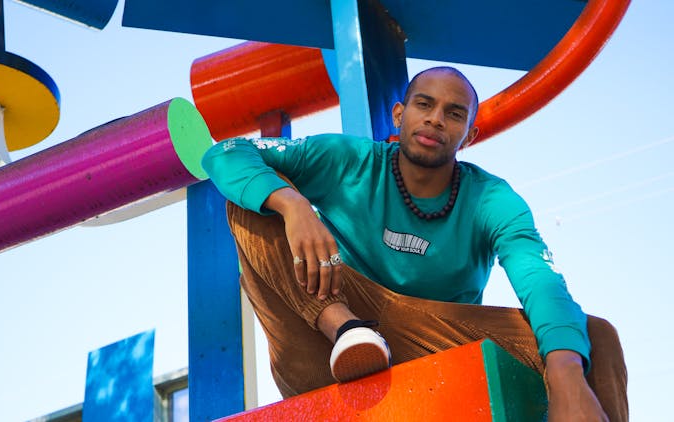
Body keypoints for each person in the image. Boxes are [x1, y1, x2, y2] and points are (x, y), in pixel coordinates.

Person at [202, 66, 627, 421]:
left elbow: (539, 278)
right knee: (251, 203)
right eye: (424, 104)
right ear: (399, 114)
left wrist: (566, 370)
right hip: (326, 335)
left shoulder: (490, 199)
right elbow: (227, 152)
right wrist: (292, 203)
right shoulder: (349, 161)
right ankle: (346, 328)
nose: (436, 118)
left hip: (428, 343)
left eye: (454, 113)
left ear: (470, 135)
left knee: (592, 337)